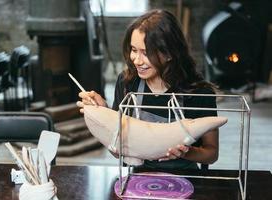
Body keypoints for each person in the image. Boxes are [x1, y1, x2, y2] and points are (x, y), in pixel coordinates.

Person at [77, 9, 218, 170]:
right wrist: (104, 113)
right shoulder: (127, 83)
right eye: (134, 50)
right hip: (137, 178)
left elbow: (212, 154)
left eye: (146, 53)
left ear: (170, 53)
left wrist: (186, 153)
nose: (136, 60)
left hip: (185, 179)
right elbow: (118, 150)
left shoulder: (200, 93)